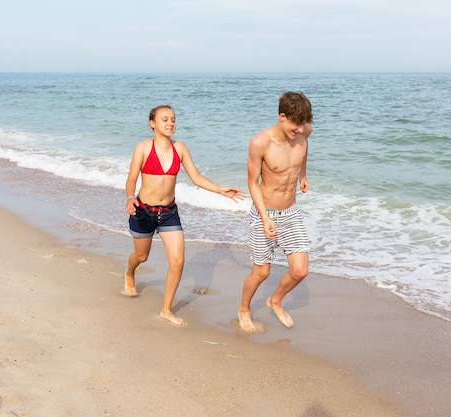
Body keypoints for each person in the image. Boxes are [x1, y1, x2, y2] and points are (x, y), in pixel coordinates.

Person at [125, 104, 244, 325]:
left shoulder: (180, 148)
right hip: (143, 211)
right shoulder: (143, 147)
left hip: (169, 213)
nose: (170, 123)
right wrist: (130, 197)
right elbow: (132, 178)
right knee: (141, 257)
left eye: (173, 119)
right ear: (152, 123)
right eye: (165, 119)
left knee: (178, 262)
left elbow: (196, 177)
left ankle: (166, 309)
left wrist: (220, 190)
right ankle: (130, 272)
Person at [238, 91, 313, 332]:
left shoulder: (304, 132)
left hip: (291, 213)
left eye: (304, 124)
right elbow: (252, 183)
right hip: (265, 214)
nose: (300, 130)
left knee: (300, 271)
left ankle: (275, 300)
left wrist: (303, 175)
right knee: (262, 272)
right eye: (296, 124)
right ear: (282, 117)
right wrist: (264, 217)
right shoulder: (260, 142)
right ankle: (244, 309)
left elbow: (303, 152)